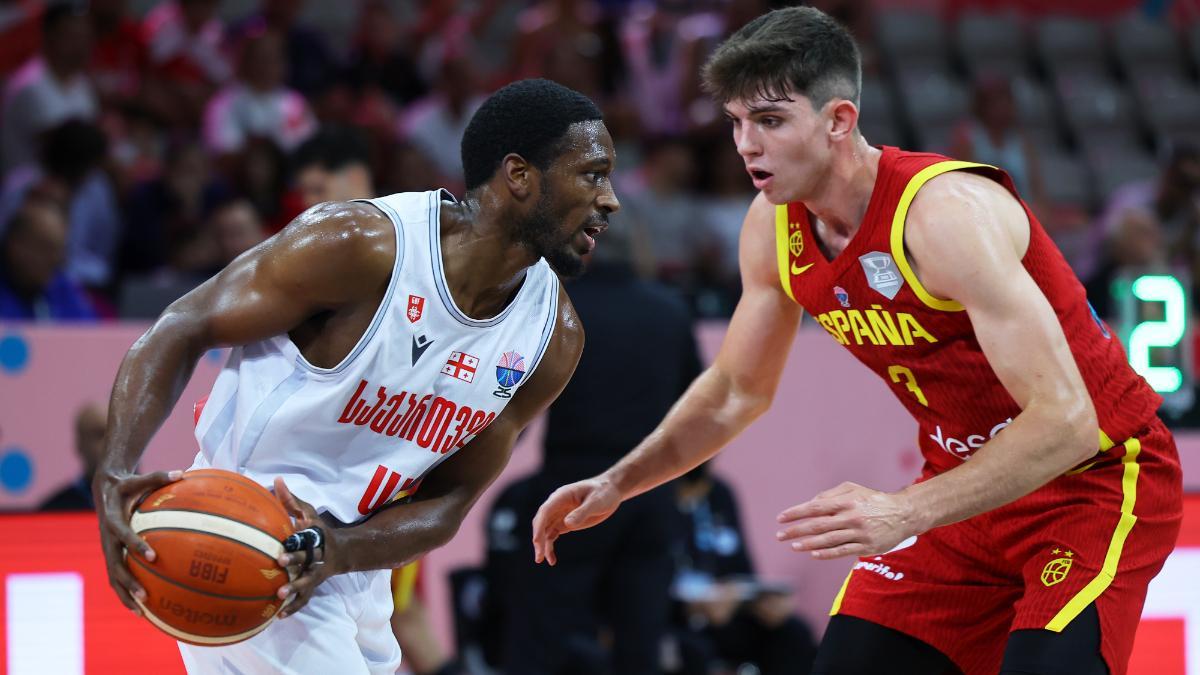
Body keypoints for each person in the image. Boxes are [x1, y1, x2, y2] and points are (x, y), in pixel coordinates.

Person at [531, 8, 1182, 675]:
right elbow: (734, 390)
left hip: (1094, 477)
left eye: (771, 120)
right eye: (736, 122)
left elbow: (1068, 423)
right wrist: (619, 480)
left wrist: (906, 509)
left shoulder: (944, 215)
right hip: (968, 492)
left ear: (839, 120)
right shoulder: (771, 226)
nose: (746, 145)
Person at [92, 78, 619, 674]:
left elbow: (451, 499)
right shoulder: (363, 247)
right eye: (594, 174)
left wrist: (341, 550)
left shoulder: (552, 340)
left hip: (354, 572)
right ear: (520, 175)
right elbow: (182, 326)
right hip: (248, 536)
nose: (611, 200)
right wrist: (113, 469)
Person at [494, 219, 701, 675]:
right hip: (649, 488)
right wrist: (694, 481)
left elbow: (519, 405)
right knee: (641, 635)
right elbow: (699, 404)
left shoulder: (562, 308)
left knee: (540, 632)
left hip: (572, 485)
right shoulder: (669, 310)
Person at [0, 196, 97, 321]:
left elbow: (88, 332)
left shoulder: (64, 289)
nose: (56, 259)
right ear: (16, 247)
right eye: (46, 248)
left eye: (59, 250)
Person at [41, 402, 108, 510]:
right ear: (79, 444)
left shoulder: (143, 502)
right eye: (99, 434)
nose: (111, 442)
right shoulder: (52, 511)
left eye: (118, 433)